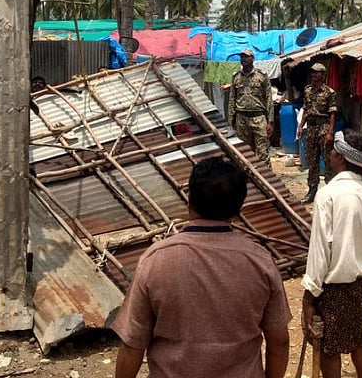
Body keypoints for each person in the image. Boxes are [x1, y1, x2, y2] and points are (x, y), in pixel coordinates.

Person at [113, 156, 291, 378]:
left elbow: (132, 346)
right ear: (238, 209)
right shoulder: (260, 261)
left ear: (190, 202)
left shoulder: (155, 260)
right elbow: (279, 342)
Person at [302, 130, 362, 378]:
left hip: (333, 288)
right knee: (360, 345)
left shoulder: (328, 195)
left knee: (330, 351)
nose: (329, 155)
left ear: (340, 158)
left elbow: (319, 251)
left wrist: (310, 295)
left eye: (333, 152)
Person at [295, 62, 337, 203]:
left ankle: (330, 192)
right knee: (311, 160)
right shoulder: (307, 91)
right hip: (311, 128)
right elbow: (306, 110)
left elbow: (332, 114)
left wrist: (330, 132)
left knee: (328, 160)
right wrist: (300, 127)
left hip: (324, 128)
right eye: (312, 72)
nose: (313, 74)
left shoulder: (329, 92)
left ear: (322, 74)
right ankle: (312, 191)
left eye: (316, 72)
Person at [227, 48, 274, 163]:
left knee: (263, 153)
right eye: (242, 57)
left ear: (252, 58)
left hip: (259, 119)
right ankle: (248, 180)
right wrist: (230, 119)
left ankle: (265, 179)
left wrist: (270, 121)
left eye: (246, 56)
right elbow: (232, 99)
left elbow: (269, 99)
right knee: (245, 154)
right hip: (241, 119)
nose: (243, 59)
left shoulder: (262, 76)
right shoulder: (236, 77)